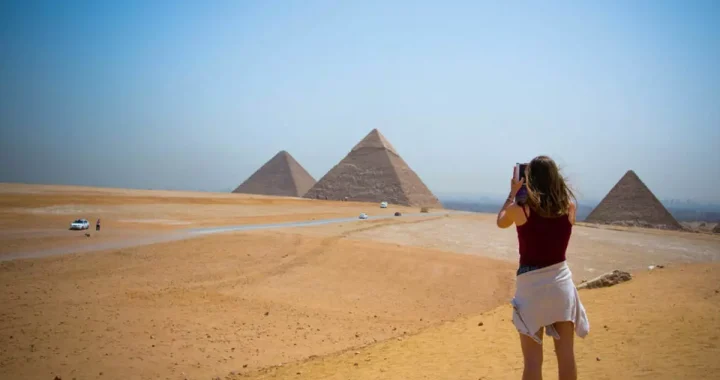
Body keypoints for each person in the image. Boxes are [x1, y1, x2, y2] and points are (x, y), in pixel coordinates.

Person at [496, 156, 589, 380]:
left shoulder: (521, 210)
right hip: (560, 284)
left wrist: (513, 192)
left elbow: (501, 221)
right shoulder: (569, 207)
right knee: (566, 355)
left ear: (530, 180)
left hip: (532, 288)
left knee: (532, 361)